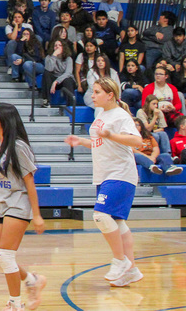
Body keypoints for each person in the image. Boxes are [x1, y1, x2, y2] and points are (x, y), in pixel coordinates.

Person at [64, 77, 144, 287]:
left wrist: (111, 134)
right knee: (117, 221)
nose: (92, 95)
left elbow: (138, 142)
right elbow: (101, 143)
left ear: (110, 95)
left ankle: (120, 261)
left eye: (97, 92)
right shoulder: (101, 114)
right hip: (105, 173)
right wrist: (82, 142)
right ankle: (132, 270)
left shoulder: (120, 115)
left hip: (121, 173)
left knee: (100, 215)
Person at [0, 103, 47, 311]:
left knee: (5, 255)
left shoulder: (18, 147)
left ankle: (15, 304)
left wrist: (36, 215)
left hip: (18, 203)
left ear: (4, 120)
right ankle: (32, 280)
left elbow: (29, 183)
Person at [40, 39, 73, 109]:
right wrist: (54, 55)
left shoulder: (68, 59)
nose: (57, 47)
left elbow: (68, 73)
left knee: (68, 79)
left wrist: (56, 81)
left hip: (64, 80)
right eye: (55, 46)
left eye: (60, 45)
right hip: (53, 78)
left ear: (64, 47)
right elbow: (49, 69)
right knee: (46, 73)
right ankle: (46, 101)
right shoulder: (49, 57)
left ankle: (70, 105)